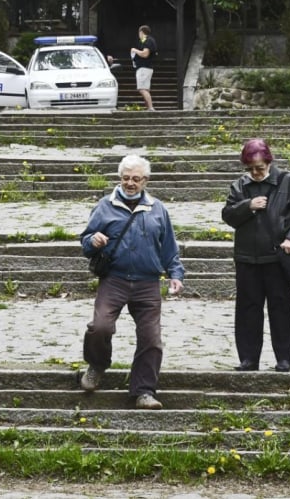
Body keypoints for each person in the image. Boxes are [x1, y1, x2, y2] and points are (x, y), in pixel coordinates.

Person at [79, 155, 184, 409]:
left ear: (145, 180)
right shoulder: (105, 206)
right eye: (126, 178)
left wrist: (175, 274)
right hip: (114, 279)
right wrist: (93, 241)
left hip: (147, 282)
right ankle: (97, 365)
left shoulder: (157, 208)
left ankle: (144, 391)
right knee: (100, 327)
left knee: (151, 338)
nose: (130, 183)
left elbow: (169, 247)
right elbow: (85, 241)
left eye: (135, 179)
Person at [222, 139, 290, 373]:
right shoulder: (240, 186)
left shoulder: (287, 181)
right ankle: (248, 359)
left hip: (277, 258)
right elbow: (228, 215)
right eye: (250, 169)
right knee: (247, 310)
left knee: (281, 308)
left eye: (259, 168)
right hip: (247, 258)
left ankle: (284, 358)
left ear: (269, 162)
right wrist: (248, 206)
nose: (255, 173)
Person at [130, 25, 158, 111]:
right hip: (144, 68)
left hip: (144, 68)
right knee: (145, 89)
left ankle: (150, 108)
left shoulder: (148, 40)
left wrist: (135, 50)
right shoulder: (144, 40)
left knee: (142, 89)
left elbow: (145, 54)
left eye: (139, 33)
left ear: (141, 32)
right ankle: (148, 108)